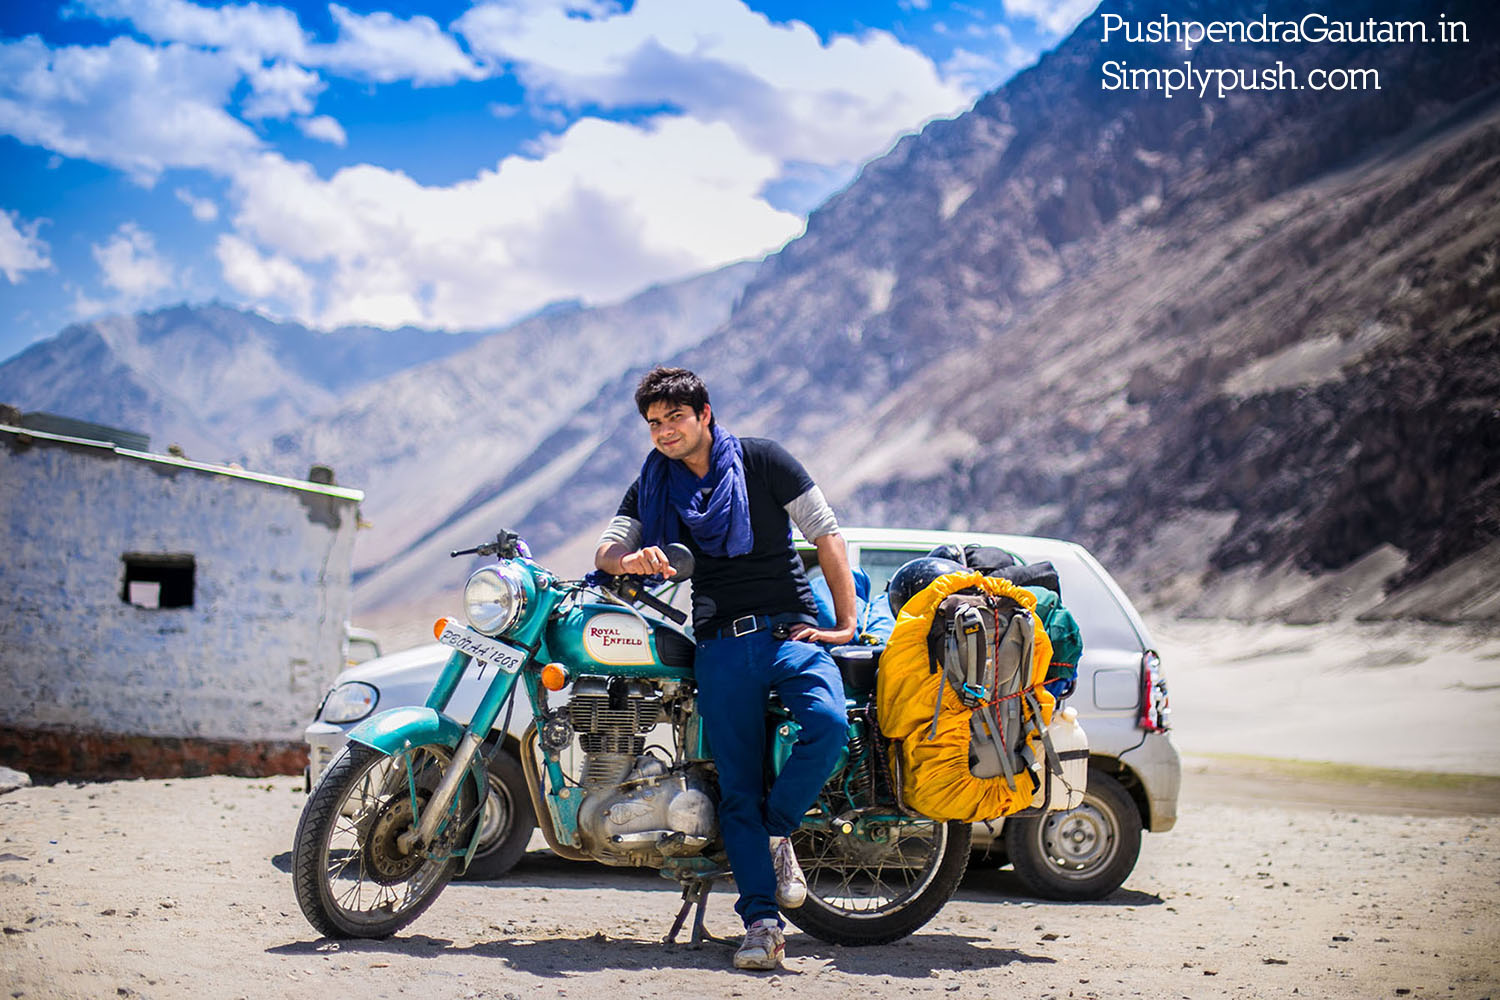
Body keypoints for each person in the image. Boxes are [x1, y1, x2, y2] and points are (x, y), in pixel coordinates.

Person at [594, 366, 856, 971]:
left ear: (705, 414)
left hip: (790, 630)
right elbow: (605, 551)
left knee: (827, 727)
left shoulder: (765, 462)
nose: (664, 432)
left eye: (675, 418)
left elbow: (827, 532)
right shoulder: (652, 484)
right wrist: (631, 558)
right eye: (654, 423)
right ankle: (761, 924)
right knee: (734, 786)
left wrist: (843, 625)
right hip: (719, 645)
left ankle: (776, 832)